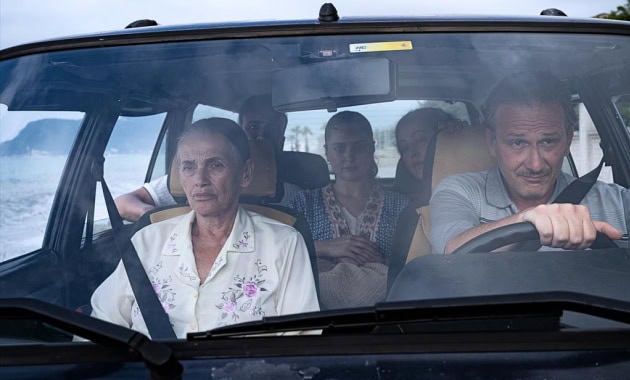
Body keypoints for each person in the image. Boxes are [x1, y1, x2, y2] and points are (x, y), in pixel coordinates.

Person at [430, 71, 630, 272]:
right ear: (492, 143)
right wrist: (529, 220)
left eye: (548, 141)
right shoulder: (459, 191)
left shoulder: (619, 204)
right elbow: (450, 253)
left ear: (568, 140)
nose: (535, 163)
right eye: (517, 142)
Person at [91, 118, 320, 338]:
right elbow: (103, 325)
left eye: (215, 165)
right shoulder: (147, 240)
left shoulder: (283, 243)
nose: (200, 179)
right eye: (189, 167)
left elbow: (301, 336)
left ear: (246, 174)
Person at [289, 111, 409, 308]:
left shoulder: (401, 206)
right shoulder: (304, 203)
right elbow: (280, 253)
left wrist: (384, 261)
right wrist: (324, 247)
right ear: (327, 152)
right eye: (339, 148)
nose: (349, 156)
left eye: (359, 147)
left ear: (371, 149)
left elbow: (417, 265)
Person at [115, 95, 300, 221]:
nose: (261, 136)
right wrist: (161, 219)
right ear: (241, 133)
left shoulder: (296, 196)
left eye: (216, 165)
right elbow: (122, 203)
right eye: (253, 127)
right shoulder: (186, 180)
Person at [393, 107, 465, 206]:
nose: (413, 153)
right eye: (404, 148)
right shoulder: (400, 206)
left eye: (420, 139)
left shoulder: (475, 188)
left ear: (447, 138)